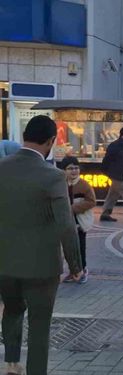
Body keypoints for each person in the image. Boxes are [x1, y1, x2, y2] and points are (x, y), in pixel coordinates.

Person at [0, 115, 83, 375]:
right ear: (50, 141)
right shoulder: (53, 176)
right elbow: (66, 225)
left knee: (11, 310)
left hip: (3, 262)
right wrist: (75, 265)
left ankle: (11, 363)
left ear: (25, 135)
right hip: (41, 266)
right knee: (39, 325)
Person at [59, 156, 97, 285]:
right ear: (64, 170)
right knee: (68, 248)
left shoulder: (84, 184)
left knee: (80, 247)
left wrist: (73, 208)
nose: (74, 171)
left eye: (76, 168)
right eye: (70, 168)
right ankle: (73, 271)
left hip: (80, 222)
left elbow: (91, 201)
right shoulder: (61, 184)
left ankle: (83, 270)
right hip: (65, 222)